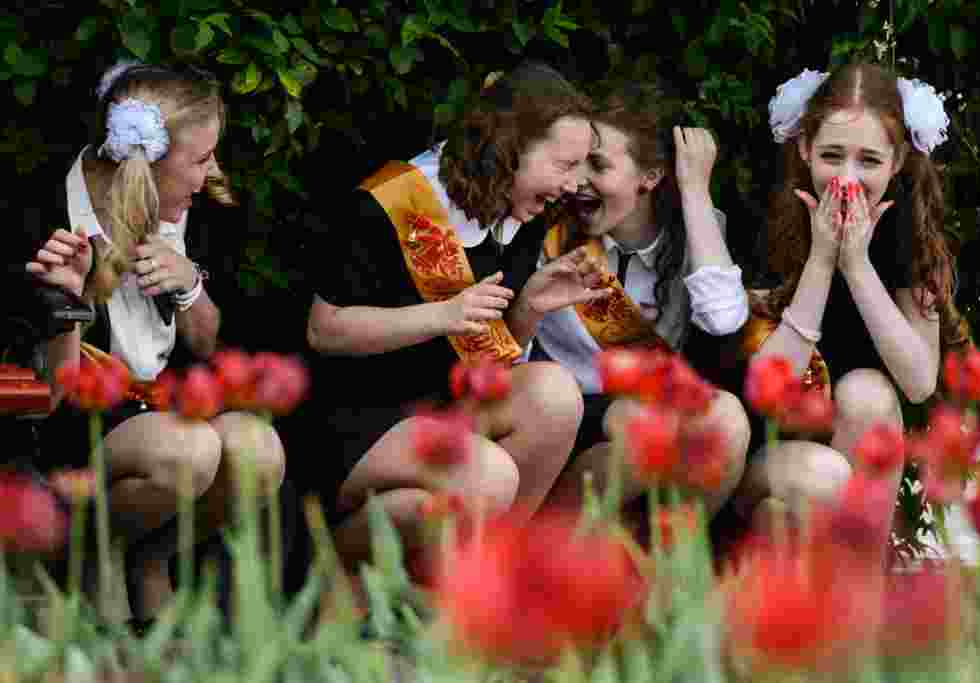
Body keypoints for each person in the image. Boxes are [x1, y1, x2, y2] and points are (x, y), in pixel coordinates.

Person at [303, 62, 606, 576]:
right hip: (362, 423)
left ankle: (478, 588)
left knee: (554, 394)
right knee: (487, 476)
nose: (574, 184)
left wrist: (528, 307)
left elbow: (489, 360)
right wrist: (441, 314)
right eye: (565, 164)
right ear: (511, 145)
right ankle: (335, 570)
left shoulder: (521, 212)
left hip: (447, 409)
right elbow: (323, 330)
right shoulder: (395, 200)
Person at [23, 62, 286, 627]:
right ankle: (86, 561)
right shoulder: (42, 214)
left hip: (162, 406)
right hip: (77, 425)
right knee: (186, 451)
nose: (210, 174)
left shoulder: (189, 210)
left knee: (258, 449)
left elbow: (210, 343)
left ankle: (150, 557)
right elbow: (52, 395)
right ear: (145, 163)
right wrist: (68, 302)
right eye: (199, 159)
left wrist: (191, 285)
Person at [731, 63, 968, 531]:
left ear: (898, 160)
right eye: (832, 156)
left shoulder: (907, 231)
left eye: (869, 161)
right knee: (825, 478)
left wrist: (855, 264)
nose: (847, 178)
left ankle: (861, 599)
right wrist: (822, 259)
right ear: (805, 148)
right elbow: (766, 390)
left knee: (868, 392)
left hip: (852, 446)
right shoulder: (772, 219)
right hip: (769, 451)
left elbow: (919, 382)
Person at [534, 82, 751, 517]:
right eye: (576, 164)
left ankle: (671, 567)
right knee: (646, 428)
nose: (577, 182)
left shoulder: (699, 230)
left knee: (725, 416)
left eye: (597, 165)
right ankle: (549, 558)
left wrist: (694, 189)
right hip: (567, 417)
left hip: (649, 414)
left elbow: (725, 319)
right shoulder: (547, 227)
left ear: (649, 178)